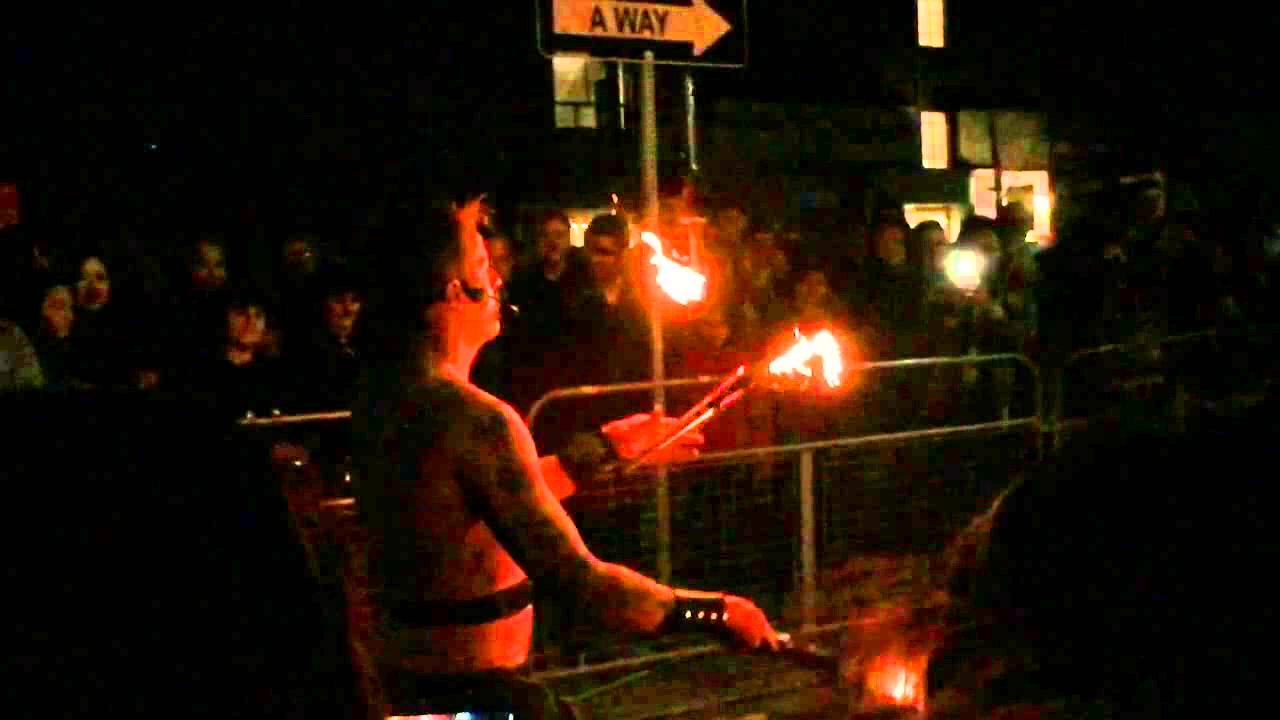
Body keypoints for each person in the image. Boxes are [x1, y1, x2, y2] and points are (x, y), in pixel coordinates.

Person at [351, 195, 781, 719]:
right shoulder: (472, 417)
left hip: (409, 689)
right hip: (478, 700)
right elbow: (586, 584)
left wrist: (612, 447)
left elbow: (479, 511)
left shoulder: (386, 397)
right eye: (484, 267)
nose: (499, 280)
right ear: (453, 293)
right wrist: (715, 612)